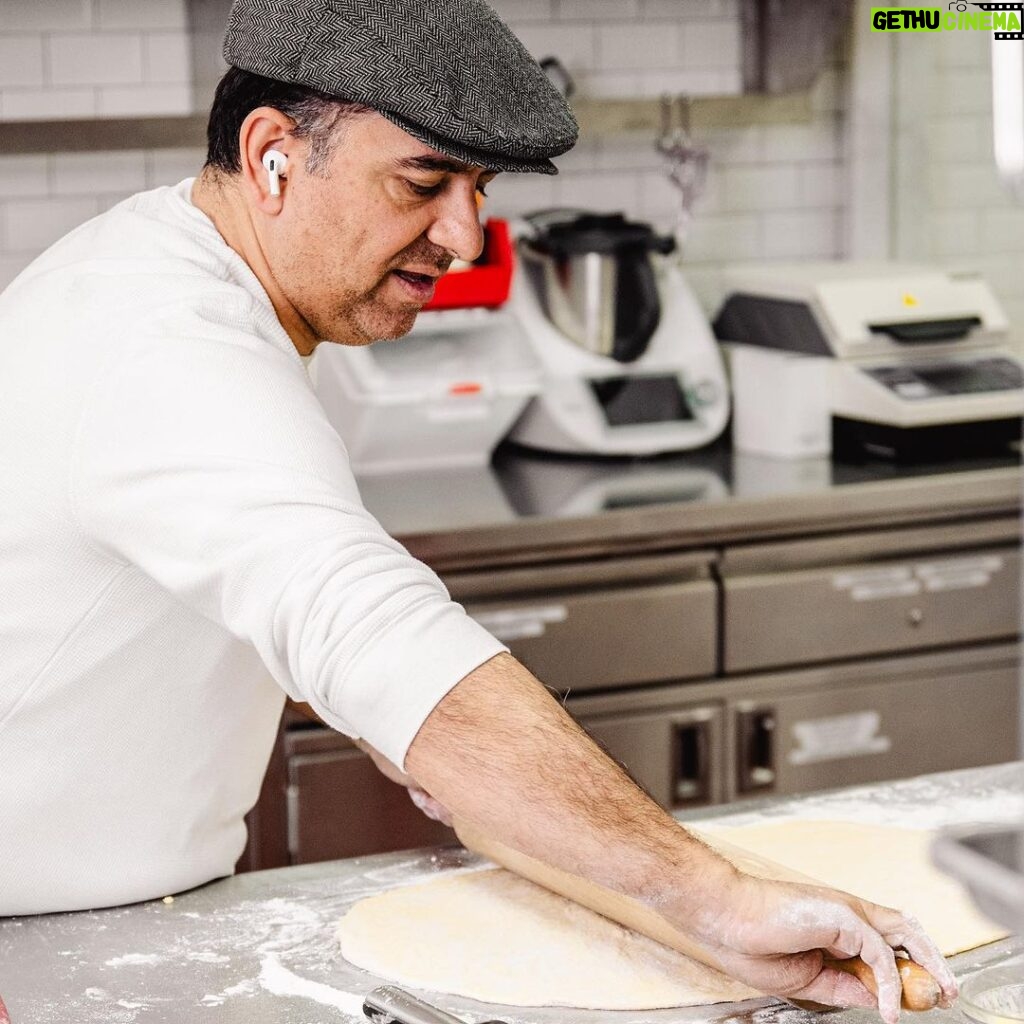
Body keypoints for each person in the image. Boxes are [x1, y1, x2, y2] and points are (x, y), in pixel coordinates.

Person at [0, 1, 955, 1019]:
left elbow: (384, 695)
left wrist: (692, 919)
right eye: (423, 182)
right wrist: (717, 898)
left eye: (478, 189)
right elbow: (373, 633)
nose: (465, 235)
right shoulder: (166, 345)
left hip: (110, 919)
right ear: (273, 151)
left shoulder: (186, 284)